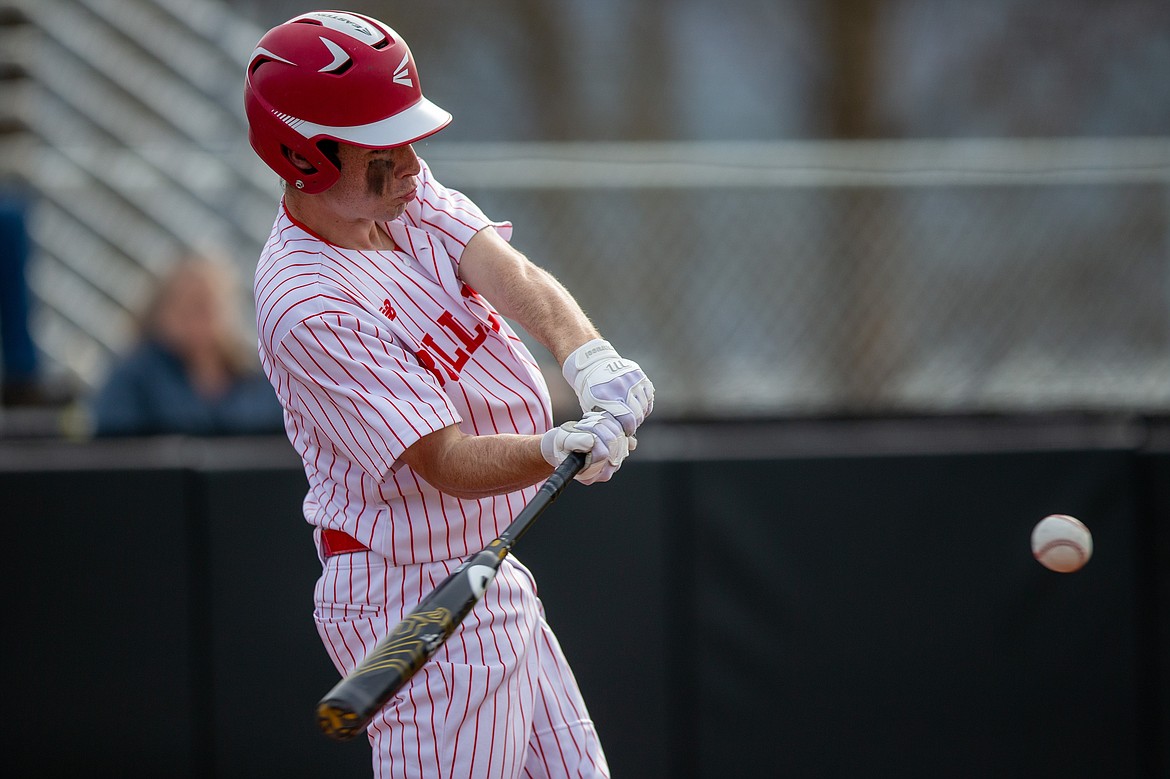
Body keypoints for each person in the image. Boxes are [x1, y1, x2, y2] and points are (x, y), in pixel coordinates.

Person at [244, 10, 654, 778]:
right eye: (383, 149)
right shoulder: (306, 302)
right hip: (411, 590)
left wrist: (587, 356)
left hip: (487, 573)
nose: (409, 164)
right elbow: (445, 458)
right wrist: (552, 448)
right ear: (306, 153)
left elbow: (508, 270)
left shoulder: (400, 196)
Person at [90, 252, 285, 436]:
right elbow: (113, 454)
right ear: (161, 310)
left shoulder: (261, 380)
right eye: (190, 305)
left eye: (211, 305)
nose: (200, 319)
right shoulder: (133, 380)